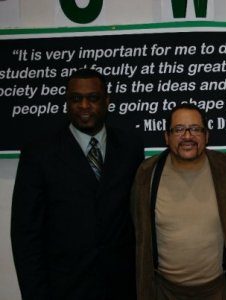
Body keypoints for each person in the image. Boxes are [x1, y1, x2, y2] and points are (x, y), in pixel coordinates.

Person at [11, 68, 144, 300]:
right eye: (75, 99)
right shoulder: (39, 154)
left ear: (107, 101)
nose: (84, 106)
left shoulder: (130, 147)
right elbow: (26, 234)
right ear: (67, 102)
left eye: (92, 98)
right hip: (64, 288)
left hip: (122, 286)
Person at [130, 103, 226, 300]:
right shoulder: (146, 174)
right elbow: (137, 229)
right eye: (178, 129)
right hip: (164, 291)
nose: (187, 136)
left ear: (206, 136)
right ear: (166, 137)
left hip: (218, 291)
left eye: (195, 129)